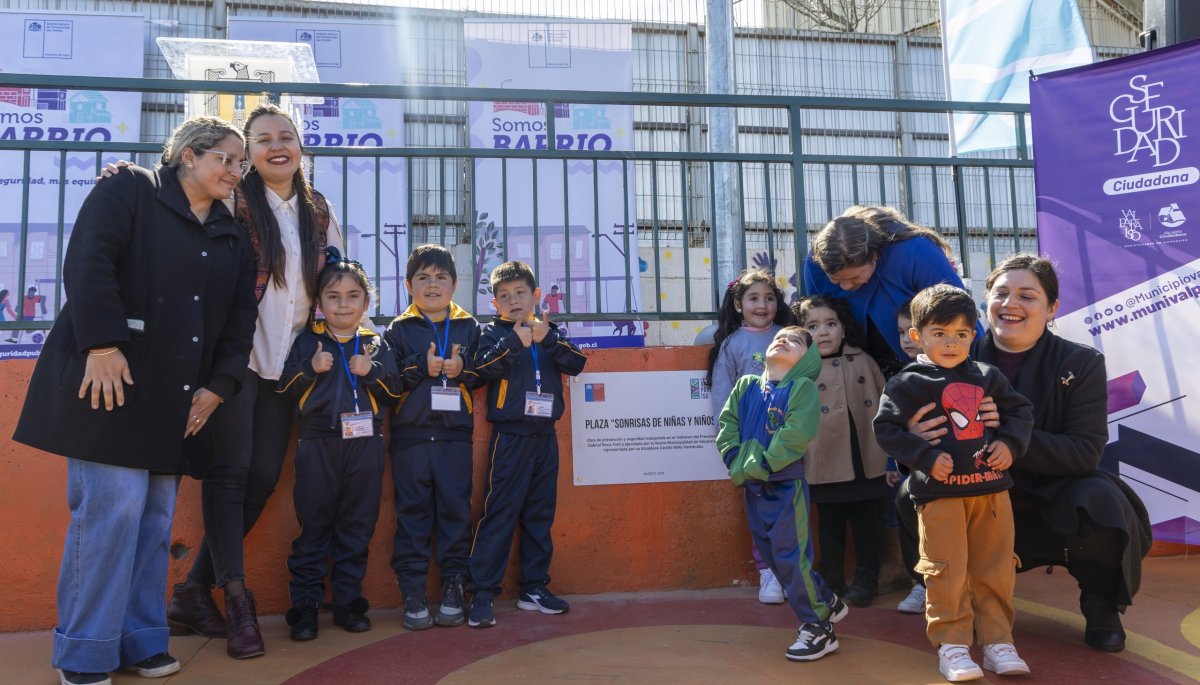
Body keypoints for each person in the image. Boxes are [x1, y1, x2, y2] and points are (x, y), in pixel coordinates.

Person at [13, 116, 257, 685]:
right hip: (110, 385)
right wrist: (101, 343)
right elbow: (88, 261)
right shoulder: (130, 189)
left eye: (240, 163)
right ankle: (85, 651)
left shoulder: (233, 234)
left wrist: (219, 386)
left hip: (176, 400)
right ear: (188, 155)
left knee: (153, 521)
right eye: (226, 158)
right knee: (112, 513)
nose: (235, 171)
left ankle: (141, 641)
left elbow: (239, 318)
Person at [163, 102, 346, 660]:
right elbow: (175, 208)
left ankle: (192, 591)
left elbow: (336, 276)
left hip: (287, 367)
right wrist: (126, 174)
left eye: (285, 136)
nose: (276, 146)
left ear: (300, 147)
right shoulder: (232, 200)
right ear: (247, 154)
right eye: (262, 139)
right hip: (233, 359)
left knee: (263, 477)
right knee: (231, 474)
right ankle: (237, 600)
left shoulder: (318, 209)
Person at [907, 254, 1151, 653]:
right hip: (975, 488)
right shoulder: (950, 355)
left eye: (1027, 295)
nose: (1011, 304)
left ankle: (1101, 605)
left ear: (1052, 307)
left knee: (1103, 503)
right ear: (986, 301)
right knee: (911, 493)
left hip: (1054, 489)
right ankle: (955, 601)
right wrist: (916, 440)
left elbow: (1085, 452)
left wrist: (1009, 437)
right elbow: (912, 434)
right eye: (1001, 293)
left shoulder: (1081, 362)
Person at [874, 284, 1035, 682]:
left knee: (996, 569)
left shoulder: (988, 376)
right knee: (945, 571)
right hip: (939, 496)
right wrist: (925, 456)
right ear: (917, 336)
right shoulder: (906, 383)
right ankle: (953, 645)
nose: (951, 343)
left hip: (992, 494)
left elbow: (1020, 413)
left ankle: (998, 642)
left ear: (973, 335)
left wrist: (1009, 444)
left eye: (961, 334)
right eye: (940, 333)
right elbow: (887, 429)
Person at [275, 251, 402, 641]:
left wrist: (372, 371)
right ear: (319, 302)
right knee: (314, 525)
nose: (343, 304)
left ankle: (348, 602)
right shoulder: (307, 343)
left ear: (366, 302)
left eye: (352, 296)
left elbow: (394, 392)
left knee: (357, 525)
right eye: (333, 296)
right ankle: (306, 606)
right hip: (318, 443)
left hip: (365, 445)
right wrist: (310, 369)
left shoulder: (375, 344)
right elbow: (283, 390)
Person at [716, 326, 849, 662]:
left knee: (791, 557)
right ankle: (825, 599)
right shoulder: (747, 386)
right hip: (753, 487)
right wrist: (733, 457)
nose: (783, 340)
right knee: (774, 559)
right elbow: (727, 423)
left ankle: (818, 626)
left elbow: (795, 433)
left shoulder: (801, 388)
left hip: (785, 486)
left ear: (807, 359)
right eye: (780, 337)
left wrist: (763, 464)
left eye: (795, 341)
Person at [467, 261, 588, 628]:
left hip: (545, 437)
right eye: (504, 296)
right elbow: (479, 371)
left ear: (535, 295)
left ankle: (533, 588)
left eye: (520, 293)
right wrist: (513, 344)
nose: (513, 300)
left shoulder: (550, 331)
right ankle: (482, 593)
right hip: (510, 438)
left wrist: (545, 338)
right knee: (499, 513)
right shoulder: (492, 334)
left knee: (540, 515)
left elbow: (577, 363)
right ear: (494, 303)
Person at [385, 244, 484, 630]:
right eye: (423, 277)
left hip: (453, 438)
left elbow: (483, 373)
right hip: (410, 438)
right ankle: (412, 589)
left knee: (455, 512)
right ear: (408, 285)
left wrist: (463, 368)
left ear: (455, 285)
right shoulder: (398, 329)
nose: (432, 285)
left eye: (441, 277)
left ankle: (454, 584)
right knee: (412, 514)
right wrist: (418, 367)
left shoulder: (469, 326)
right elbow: (389, 381)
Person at [803, 205, 977, 378]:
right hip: (856, 371)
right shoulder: (815, 264)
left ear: (875, 256)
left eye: (855, 278)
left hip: (929, 366)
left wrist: (975, 373)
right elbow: (813, 319)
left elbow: (960, 315)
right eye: (836, 280)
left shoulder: (916, 251)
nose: (846, 287)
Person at [793, 295, 888, 607]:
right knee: (829, 523)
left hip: (865, 456)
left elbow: (885, 401)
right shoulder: (800, 369)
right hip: (824, 459)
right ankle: (831, 578)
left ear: (843, 328)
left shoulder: (863, 360)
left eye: (830, 324)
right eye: (813, 326)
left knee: (867, 522)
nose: (823, 332)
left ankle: (867, 578)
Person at [706, 267, 793, 604]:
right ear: (738, 305)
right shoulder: (732, 345)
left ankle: (791, 572)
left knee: (790, 509)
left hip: (790, 442)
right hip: (751, 445)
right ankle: (767, 572)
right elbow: (722, 397)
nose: (762, 305)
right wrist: (729, 444)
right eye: (754, 298)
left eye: (769, 298)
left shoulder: (790, 337)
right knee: (760, 510)